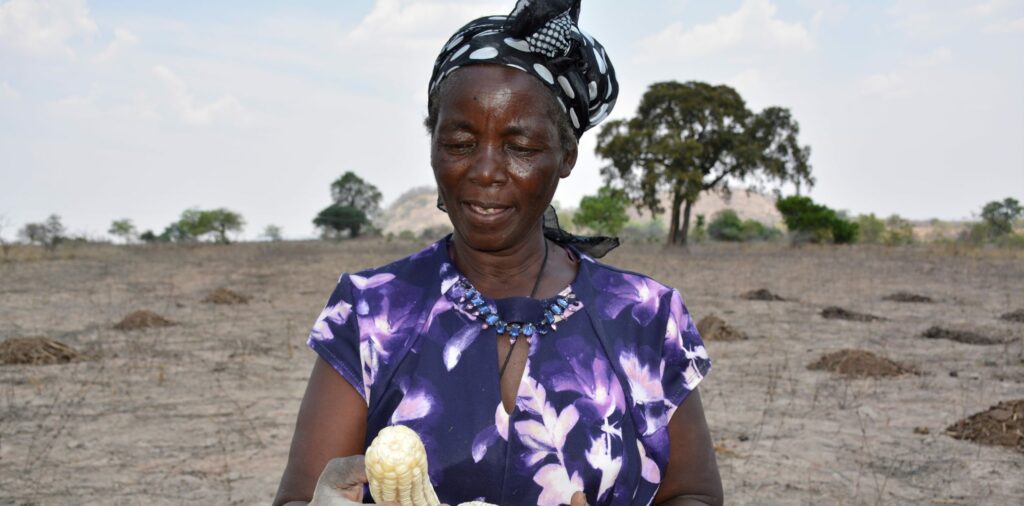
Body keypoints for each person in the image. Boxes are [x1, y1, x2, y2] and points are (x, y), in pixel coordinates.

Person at [274, 1, 722, 504]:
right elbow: (298, 496)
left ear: (565, 155)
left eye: (521, 147)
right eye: (461, 143)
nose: (485, 170)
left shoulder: (645, 315)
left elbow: (694, 493)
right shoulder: (371, 312)